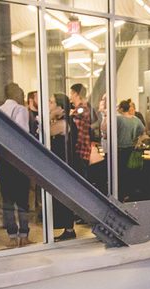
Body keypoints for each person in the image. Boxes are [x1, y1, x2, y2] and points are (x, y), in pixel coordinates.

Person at [0, 83, 33, 247]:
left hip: (3, 159)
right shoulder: (20, 110)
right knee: (22, 199)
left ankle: (12, 236)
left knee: (7, 200)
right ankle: (24, 235)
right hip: (18, 160)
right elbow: (22, 134)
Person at [49, 93, 78, 241]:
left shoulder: (62, 124)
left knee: (64, 198)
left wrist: (49, 116)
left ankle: (68, 228)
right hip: (66, 165)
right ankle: (68, 228)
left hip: (64, 166)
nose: (49, 105)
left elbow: (43, 134)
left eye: (52, 103)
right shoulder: (67, 121)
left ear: (61, 107)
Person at [115, 99, 146, 201]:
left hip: (119, 149)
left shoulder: (118, 119)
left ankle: (119, 195)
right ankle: (127, 195)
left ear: (121, 109)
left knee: (119, 174)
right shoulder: (136, 120)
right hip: (131, 149)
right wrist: (137, 141)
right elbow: (143, 132)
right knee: (128, 173)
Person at [68, 83, 93, 184]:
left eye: (71, 93)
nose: (70, 96)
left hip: (81, 150)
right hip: (84, 149)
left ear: (76, 94)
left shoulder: (80, 110)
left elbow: (75, 130)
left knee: (81, 182)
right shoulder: (84, 108)